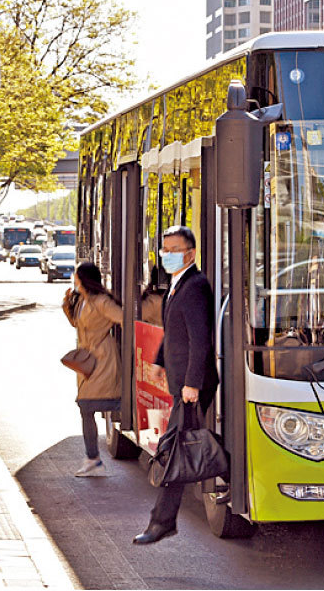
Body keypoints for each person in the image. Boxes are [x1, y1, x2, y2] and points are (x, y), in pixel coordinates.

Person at [134, 226, 218, 545]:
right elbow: (174, 332)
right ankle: (223, 480)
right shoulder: (176, 285)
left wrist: (192, 384)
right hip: (180, 384)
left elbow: (200, 341)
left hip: (190, 388)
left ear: (191, 253)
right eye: (164, 249)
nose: (166, 255)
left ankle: (162, 522)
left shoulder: (195, 286)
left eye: (174, 249)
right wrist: (158, 361)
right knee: (185, 448)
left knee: (176, 453)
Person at [61, 262, 124, 477]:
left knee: (88, 405)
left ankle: (93, 459)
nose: (73, 279)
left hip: (103, 360)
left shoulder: (101, 302)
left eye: (76, 276)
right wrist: (67, 306)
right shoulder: (83, 301)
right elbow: (78, 325)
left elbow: (124, 318)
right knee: (85, 407)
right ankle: (93, 459)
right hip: (87, 361)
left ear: (84, 278)